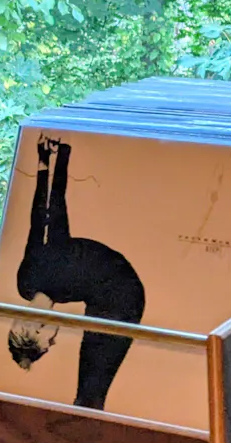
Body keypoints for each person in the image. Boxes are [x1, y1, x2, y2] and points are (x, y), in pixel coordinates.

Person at [8, 135, 146, 411]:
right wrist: (46, 161)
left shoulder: (56, 279)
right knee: (90, 387)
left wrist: (54, 160)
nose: (55, 339)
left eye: (49, 340)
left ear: (38, 327)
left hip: (124, 294)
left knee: (92, 387)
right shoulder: (25, 284)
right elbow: (38, 220)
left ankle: (86, 415)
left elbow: (52, 212)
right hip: (113, 292)